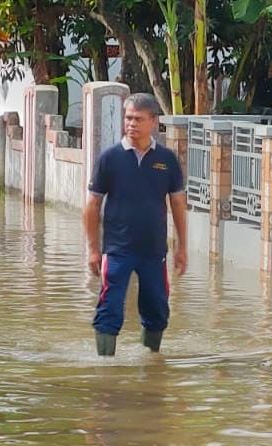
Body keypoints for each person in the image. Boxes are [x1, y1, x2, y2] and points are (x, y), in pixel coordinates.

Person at [83, 93, 188, 356]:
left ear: (153, 121)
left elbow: (177, 204)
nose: (131, 124)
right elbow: (93, 205)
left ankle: (152, 361)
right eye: (128, 118)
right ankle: (105, 366)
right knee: (110, 307)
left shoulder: (167, 160)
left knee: (157, 307)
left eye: (138, 119)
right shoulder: (110, 159)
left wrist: (182, 247)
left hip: (154, 250)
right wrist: (93, 249)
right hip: (117, 249)